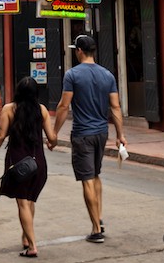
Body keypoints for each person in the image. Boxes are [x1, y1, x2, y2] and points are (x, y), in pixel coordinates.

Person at [52, 35, 127, 244]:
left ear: (79, 51)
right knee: (95, 175)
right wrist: (120, 134)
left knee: (86, 179)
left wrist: (54, 133)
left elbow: (64, 106)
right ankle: (98, 216)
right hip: (102, 132)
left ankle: (95, 229)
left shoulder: (72, 75)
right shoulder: (107, 75)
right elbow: (116, 107)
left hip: (83, 134)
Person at [0, 77, 56, 258]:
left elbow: (1, 136)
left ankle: (32, 246)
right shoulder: (42, 110)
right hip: (38, 161)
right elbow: (52, 138)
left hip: (18, 161)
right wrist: (49, 142)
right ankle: (25, 236)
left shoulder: (9, 109)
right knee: (29, 200)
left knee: (22, 202)